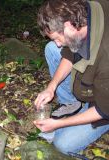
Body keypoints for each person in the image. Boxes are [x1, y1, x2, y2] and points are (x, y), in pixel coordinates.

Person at [34, 0, 109, 155]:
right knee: (51, 49)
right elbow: (70, 54)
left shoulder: (106, 55)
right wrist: (51, 87)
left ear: (69, 26)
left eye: (57, 37)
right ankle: (73, 105)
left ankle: (89, 116)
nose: (58, 44)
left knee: (62, 144)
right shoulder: (82, 15)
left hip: (103, 106)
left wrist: (58, 124)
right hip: (96, 83)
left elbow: (103, 110)